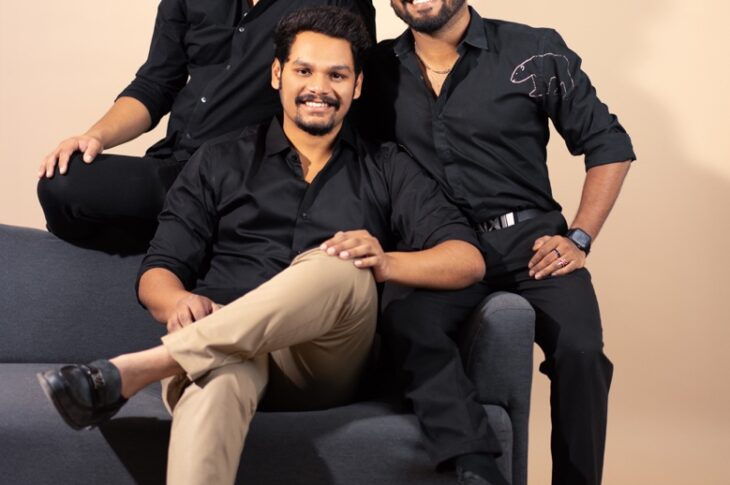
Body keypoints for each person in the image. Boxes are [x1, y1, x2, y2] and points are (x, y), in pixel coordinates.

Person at [36, 7, 487, 484]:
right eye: (304, 71)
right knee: (215, 377)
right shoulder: (218, 160)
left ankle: (143, 367)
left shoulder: (387, 166)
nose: (319, 87)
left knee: (340, 260)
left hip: (322, 363)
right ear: (277, 75)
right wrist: (179, 301)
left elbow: (467, 259)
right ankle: (185, 356)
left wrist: (385, 261)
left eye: (337, 75)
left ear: (357, 86)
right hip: (227, 351)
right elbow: (158, 271)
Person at [357, 1, 636, 484]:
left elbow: (609, 144)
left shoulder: (533, 50)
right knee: (405, 324)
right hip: (440, 250)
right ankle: (478, 465)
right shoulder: (377, 69)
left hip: (531, 246)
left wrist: (579, 236)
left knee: (581, 351)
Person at [36, 0, 374, 252]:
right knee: (62, 183)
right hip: (175, 169)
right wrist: (95, 136)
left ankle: (198, 240)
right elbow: (156, 83)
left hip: (249, 178)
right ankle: (190, 240)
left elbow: (351, 93)